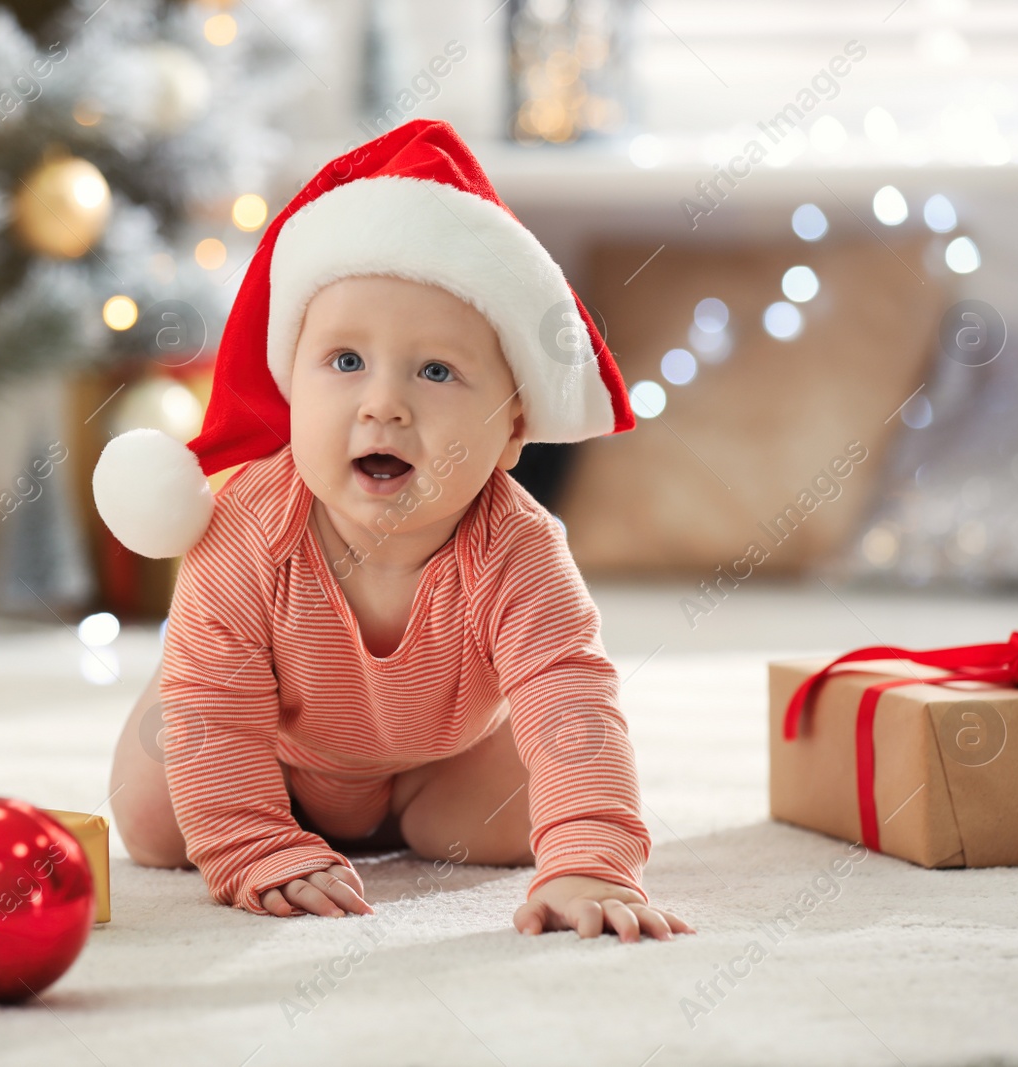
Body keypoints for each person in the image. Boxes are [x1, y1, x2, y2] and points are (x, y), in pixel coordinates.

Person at [97, 119, 694, 943]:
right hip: (270, 740)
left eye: (437, 370)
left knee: (514, 815)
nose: (384, 404)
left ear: (513, 429)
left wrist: (590, 856)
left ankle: (400, 811)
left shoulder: (518, 550)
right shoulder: (244, 534)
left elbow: (569, 693)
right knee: (158, 818)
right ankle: (198, 722)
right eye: (345, 362)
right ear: (290, 388)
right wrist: (252, 843)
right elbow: (217, 723)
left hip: (436, 760)